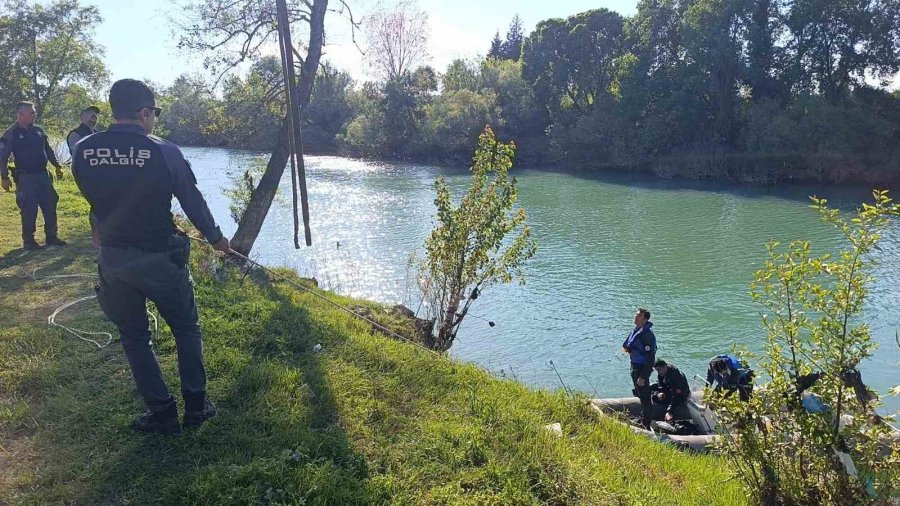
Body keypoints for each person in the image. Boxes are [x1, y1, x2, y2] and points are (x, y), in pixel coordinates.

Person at [72, 79, 230, 434]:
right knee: (186, 329)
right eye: (154, 113)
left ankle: (161, 414)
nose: (154, 120)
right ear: (144, 113)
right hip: (161, 258)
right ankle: (195, 407)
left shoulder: (83, 149)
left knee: (134, 337)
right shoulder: (164, 151)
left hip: (114, 258)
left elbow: (92, 197)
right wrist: (217, 239)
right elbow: (192, 201)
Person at [0, 101, 67, 250]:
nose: (34, 115)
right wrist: (4, 177)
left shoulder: (38, 130)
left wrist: (57, 165)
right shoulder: (11, 133)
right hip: (25, 177)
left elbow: (48, 150)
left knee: (50, 203)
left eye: (34, 112)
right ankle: (29, 241)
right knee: (29, 208)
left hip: (43, 175)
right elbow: (2, 157)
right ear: (21, 114)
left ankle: (52, 237)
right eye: (32, 113)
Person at [622, 307, 657, 428]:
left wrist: (643, 376)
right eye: (636, 314)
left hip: (642, 368)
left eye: (639, 315)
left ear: (645, 319)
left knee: (645, 397)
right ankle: (643, 419)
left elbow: (651, 358)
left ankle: (646, 423)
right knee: (640, 394)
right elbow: (627, 346)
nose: (635, 316)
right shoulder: (636, 331)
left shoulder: (647, 335)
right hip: (634, 366)